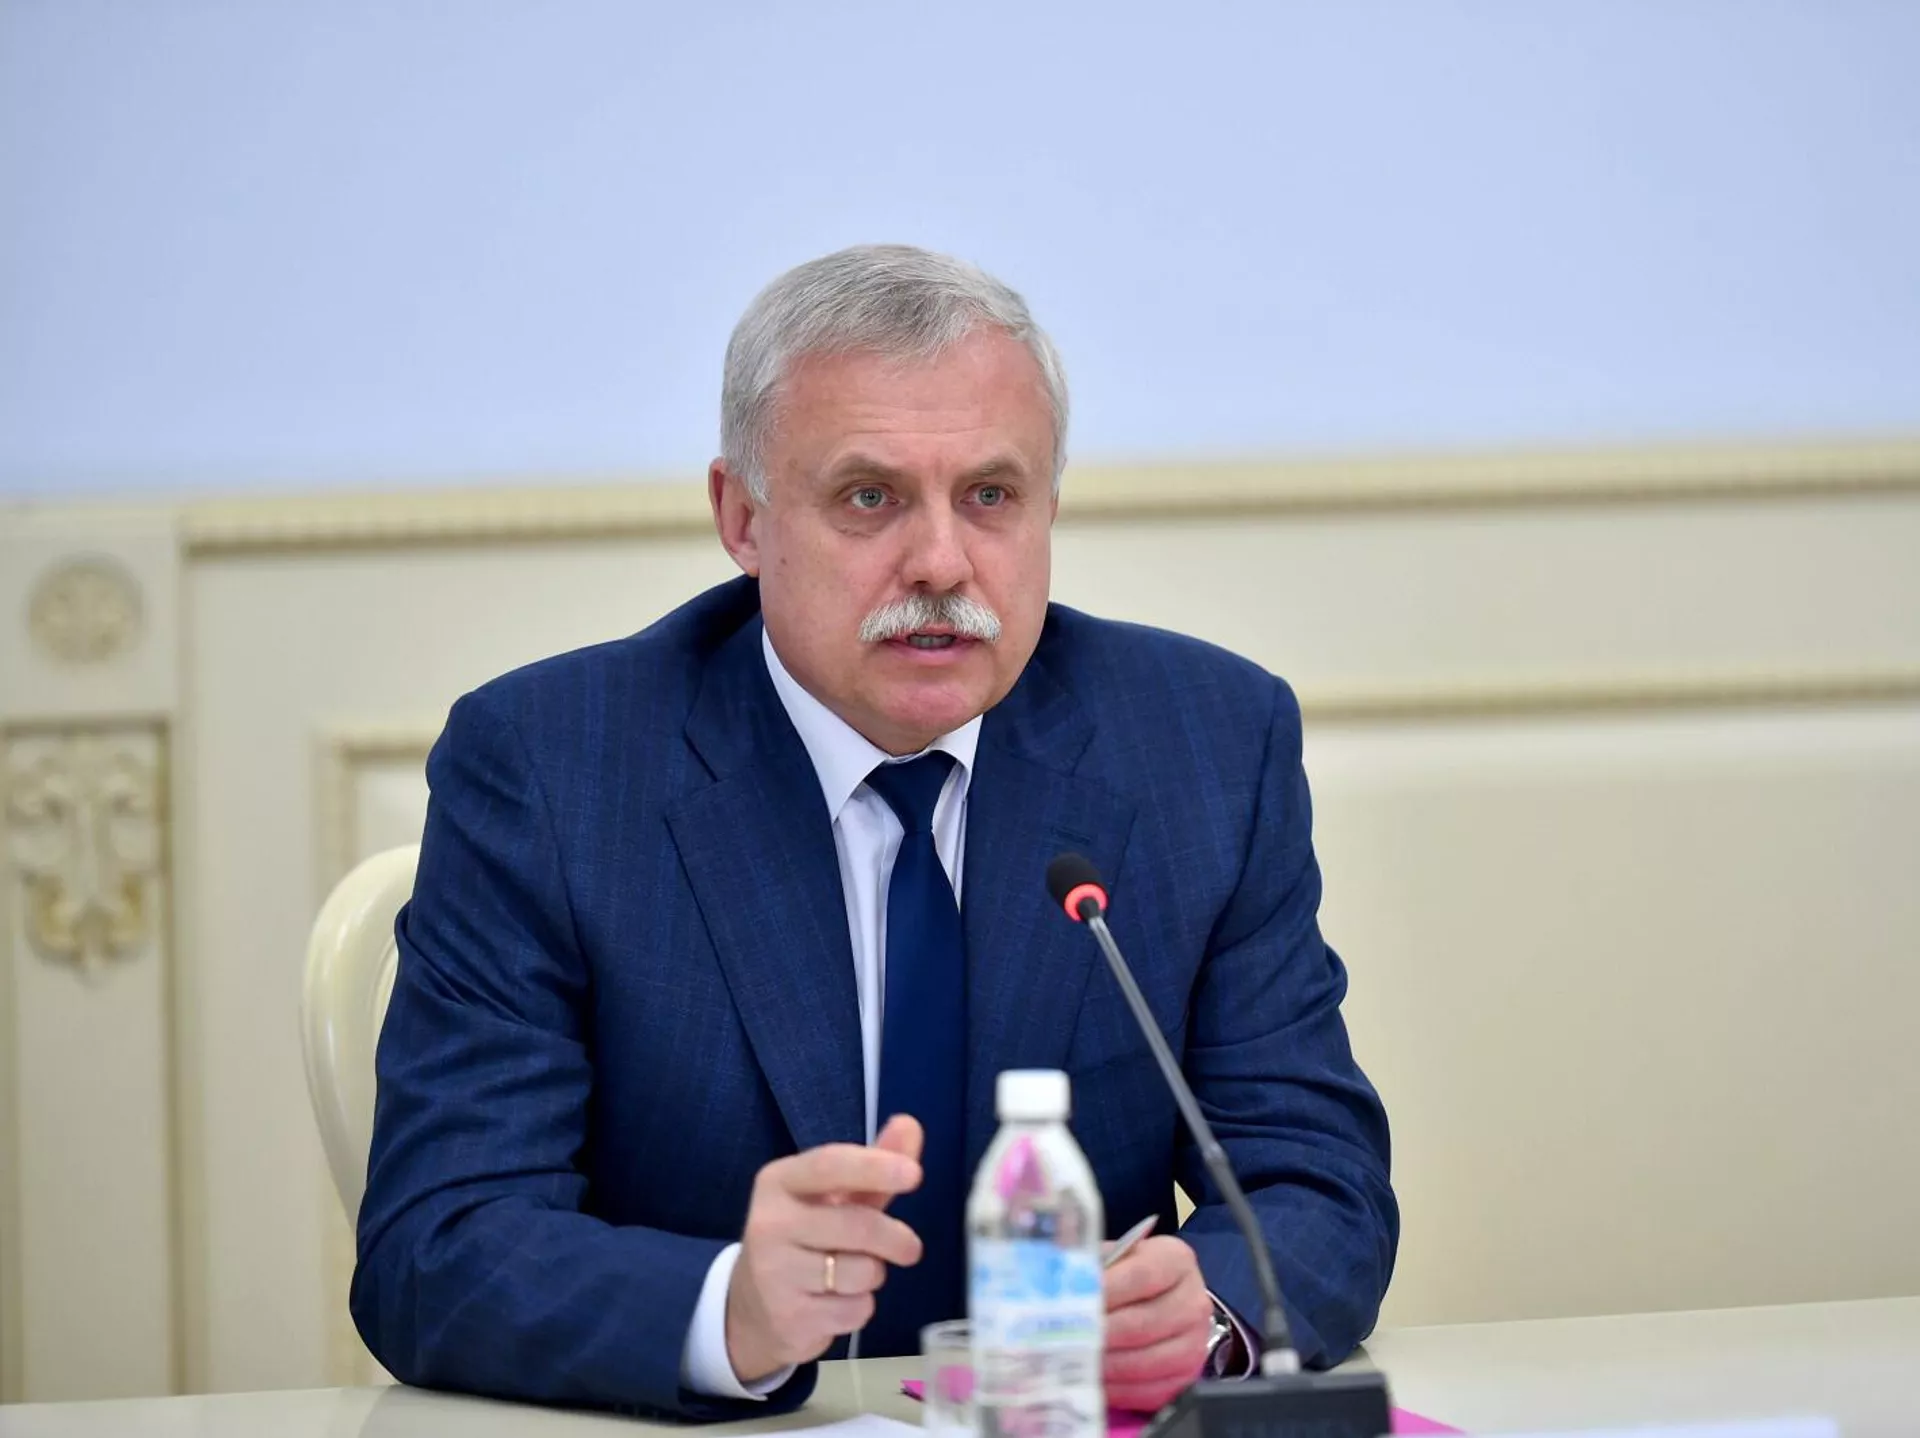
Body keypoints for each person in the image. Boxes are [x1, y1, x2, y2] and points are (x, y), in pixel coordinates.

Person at [351, 244, 1397, 1420]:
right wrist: (727, 1309)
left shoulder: (1205, 746)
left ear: (1049, 508)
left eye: (990, 496)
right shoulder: (553, 769)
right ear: (742, 518)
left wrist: (1202, 1313)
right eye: (870, 497)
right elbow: (438, 1243)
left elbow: (1320, 1183)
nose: (942, 562)